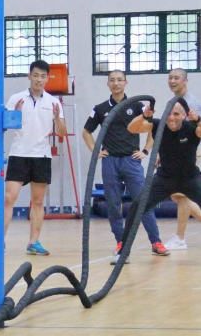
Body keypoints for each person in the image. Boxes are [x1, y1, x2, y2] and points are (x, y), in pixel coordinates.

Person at [82, 70, 169, 257]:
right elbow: (86, 133)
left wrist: (145, 151)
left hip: (131, 161)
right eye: (112, 80)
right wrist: (96, 151)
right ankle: (121, 243)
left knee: (143, 201)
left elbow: (152, 129)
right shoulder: (100, 108)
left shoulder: (137, 107)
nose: (116, 83)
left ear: (126, 83)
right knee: (113, 204)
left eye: (119, 80)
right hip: (110, 161)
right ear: (108, 84)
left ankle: (156, 242)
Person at [114, 102, 201, 264]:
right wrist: (144, 115)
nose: (171, 117)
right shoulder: (158, 125)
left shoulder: (190, 128)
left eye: (176, 114)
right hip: (164, 178)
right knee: (137, 207)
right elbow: (132, 128)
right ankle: (123, 250)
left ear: (183, 115)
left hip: (190, 178)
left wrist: (198, 119)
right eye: (169, 113)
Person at [4, 59, 66, 255]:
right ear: (29, 76)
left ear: (48, 78)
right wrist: (16, 114)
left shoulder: (54, 102)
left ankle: (34, 242)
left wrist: (57, 117)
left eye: (43, 76)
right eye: (36, 75)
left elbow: (63, 132)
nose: (39, 79)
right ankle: (0, 241)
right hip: (19, 153)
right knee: (9, 198)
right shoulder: (16, 99)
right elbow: (5, 126)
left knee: (37, 201)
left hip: (41, 155)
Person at [163, 68, 201, 250]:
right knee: (179, 196)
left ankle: (180, 238)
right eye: (170, 78)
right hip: (175, 155)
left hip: (191, 153)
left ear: (185, 80)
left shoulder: (191, 103)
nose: (172, 81)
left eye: (176, 78)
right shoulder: (172, 101)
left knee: (182, 194)